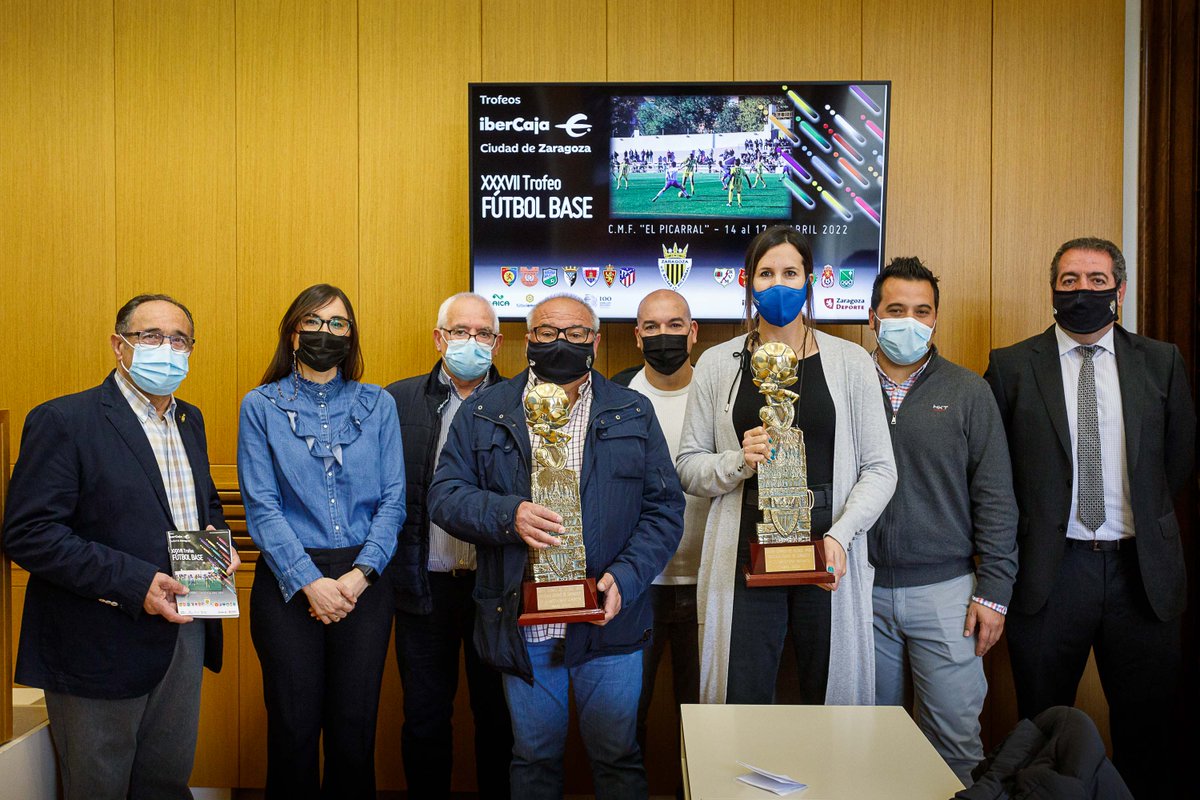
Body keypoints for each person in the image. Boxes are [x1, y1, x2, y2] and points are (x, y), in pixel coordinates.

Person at [427, 294, 685, 800]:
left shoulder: (632, 409)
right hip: (525, 621)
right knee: (533, 759)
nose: (560, 342)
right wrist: (509, 515)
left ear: (594, 340)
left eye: (574, 333)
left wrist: (627, 578)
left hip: (609, 619)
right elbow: (444, 495)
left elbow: (663, 509)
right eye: (547, 332)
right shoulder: (484, 411)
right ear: (527, 341)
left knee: (618, 759)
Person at [984, 236, 1195, 798]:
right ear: (1053, 289)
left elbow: (1176, 462)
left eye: (1097, 281)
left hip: (1141, 574)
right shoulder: (1010, 368)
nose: (1082, 291)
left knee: (1149, 733)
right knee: (1044, 729)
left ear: (1118, 290)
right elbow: (993, 478)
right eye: (1070, 281)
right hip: (1051, 574)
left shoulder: (1161, 361)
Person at [3, 294, 232, 800]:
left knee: (166, 784)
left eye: (179, 340)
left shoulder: (189, 420)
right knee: (99, 787)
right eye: (152, 337)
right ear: (118, 345)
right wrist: (135, 583)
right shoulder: (65, 421)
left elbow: (203, 505)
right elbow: (30, 533)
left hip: (184, 633)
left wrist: (221, 548)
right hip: (96, 644)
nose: (167, 349)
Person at [676, 225, 896, 706]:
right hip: (744, 554)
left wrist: (841, 536)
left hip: (827, 552)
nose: (779, 284)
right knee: (742, 696)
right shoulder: (717, 363)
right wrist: (738, 462)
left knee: (831, 698)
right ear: (748, 283)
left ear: (809, 280)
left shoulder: (851, 361)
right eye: (766, 273)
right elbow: (688, 465)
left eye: (791, 273)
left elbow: (881, 469)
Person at [238, 284, 405, 799]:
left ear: (351, 336)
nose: (324, 333)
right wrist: (312, 583)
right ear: (293, 333)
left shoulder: (378, 403)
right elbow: (262, 508)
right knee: (292, 729)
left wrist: (358, 578)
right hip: (288, 584)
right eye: (312, 322)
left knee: (354, 731)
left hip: (366, 583)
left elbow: (393, 502)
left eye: (338, 323)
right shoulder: (260, 406)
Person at [866, 258, 1018, 784]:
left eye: (922, 311)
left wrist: (994, 590)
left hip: (948, 594)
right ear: (873, 317)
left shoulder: (969, 392)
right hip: (855, 591)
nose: (910, 321)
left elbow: (996, 498)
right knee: (866, 740)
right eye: (896, 310)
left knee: (954, 745)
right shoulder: (845, 385)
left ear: (935, 320)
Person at [384, 292, 512, 799]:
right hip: (424, 588)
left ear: (498, 344)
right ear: (439, 339)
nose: (471, 342)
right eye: (460, 332)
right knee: (424, 719)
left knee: (498, 718)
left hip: (495, 590)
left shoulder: (523, 400)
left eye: (483, 334)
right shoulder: (395, 401)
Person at [610, 290, 708, 791]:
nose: (663, 336)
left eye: (674, 325)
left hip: (708, 586)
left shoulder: (720, 395)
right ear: (636, 335)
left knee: (704, 724)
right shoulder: (617, 397)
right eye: (651, 326)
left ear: (694, 332)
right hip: (634, 587)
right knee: (627, 723)